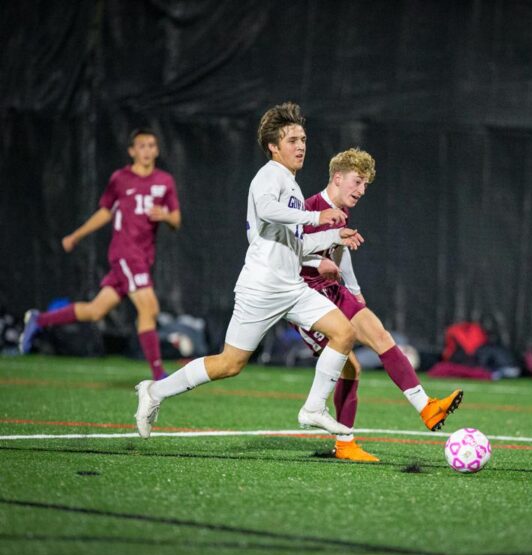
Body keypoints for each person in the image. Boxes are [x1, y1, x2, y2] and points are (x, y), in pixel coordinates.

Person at [134, 102, 365, 439]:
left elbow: (292, 244)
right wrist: (317, 218)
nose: (300, 146)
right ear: (273, 146)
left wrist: (332, 236)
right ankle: (154, 392)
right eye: (291, 140)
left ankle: (314, 408)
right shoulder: (269, 175)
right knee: (230, 364)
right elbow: (269, 211)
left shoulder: (292, 185)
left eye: (303, 139)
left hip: (291, 286)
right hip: (261, 286)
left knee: (344, 333)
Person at [297, 148, 463, 462]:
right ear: (337, 177)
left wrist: (355, 291)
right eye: (357, 182)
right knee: (351, 367)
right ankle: (344, 444)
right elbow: (284, 254)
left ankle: (426, 407)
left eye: (365, 185)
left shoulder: (341, 212)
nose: (361, 190)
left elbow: (340, 253)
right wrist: (315, 264)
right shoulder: (308, 209)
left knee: (382, 336)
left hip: (334, 291)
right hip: (304, 296)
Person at [20, 128, 181, 381]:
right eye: (141, 146)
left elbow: (176, 220)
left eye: (151, 145)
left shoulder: (165, 181)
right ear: (131, 151)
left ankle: (39, 320)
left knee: (95, 311)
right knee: (149, 307)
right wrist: (77, 235)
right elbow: (105, 212)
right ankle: (159, 374)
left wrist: (166, 216)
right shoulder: (120, 178)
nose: (147, 150)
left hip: (143, 256)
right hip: (126, 253)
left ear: (157, 150)